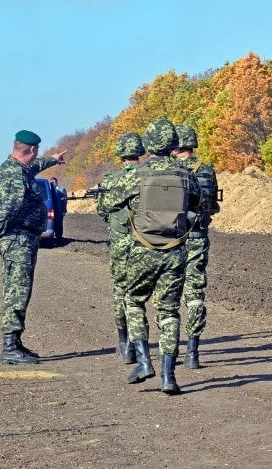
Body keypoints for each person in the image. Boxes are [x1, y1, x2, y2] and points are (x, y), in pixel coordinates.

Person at [105, 119, 201, 394]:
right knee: (169, 311)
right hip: (175, 251)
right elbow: (200, 207)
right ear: (173, 144)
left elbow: (109, 204)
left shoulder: (136, 174)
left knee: (134, 302)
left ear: (148, 145)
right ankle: (168, 377)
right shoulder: (186, 175)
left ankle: (144, 361)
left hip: (142, 250)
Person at [0, 130, 67, 364]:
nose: (37, 155)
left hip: (23, 238)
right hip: (16, 239)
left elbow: (35, 165)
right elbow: (10, 208)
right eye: (36, 151)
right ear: (30, 150)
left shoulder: (20, 168)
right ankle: (9, 347)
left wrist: (53, 159)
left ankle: (15, 343)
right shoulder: (12, 173)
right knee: (17, 292)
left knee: (21, 290)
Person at [171, 124, 220, 369]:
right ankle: (193, 352)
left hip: (170, 239)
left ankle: (170, 350)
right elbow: (212, 206)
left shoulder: (168, 170)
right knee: (195, 293)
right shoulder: (207, 169)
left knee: (169, 294)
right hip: (198, 236)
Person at [96, 132, 145, 364]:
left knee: (121, 291)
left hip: (120, 243)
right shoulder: (149, 175)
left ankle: (125, 343)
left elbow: (102, 211)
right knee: (143, 295)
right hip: (147, 243)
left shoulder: (111, 179)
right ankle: (140, 342)